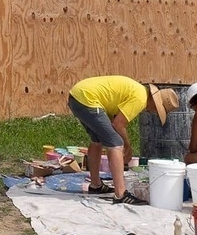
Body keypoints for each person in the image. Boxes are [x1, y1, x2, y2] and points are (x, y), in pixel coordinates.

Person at [66, 75, 178, 204]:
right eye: (157, 109)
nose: (153, 112)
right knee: (116, 143)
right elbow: (118, 124)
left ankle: (95, 185)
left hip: (78, 96)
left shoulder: (138, 91)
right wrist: (127, 147)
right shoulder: (140, 99)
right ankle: (120, 194)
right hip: (87, 98)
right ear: (154, 101)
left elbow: (114, 117)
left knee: (97, 140)